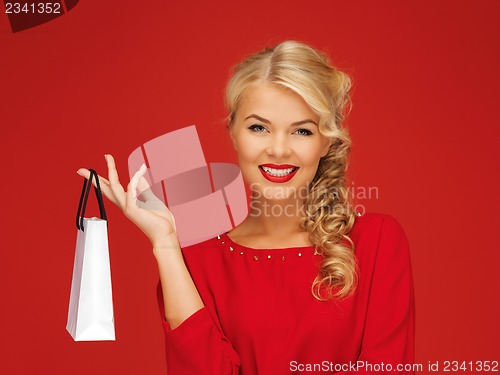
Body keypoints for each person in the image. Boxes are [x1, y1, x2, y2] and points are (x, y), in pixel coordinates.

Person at [78, 40, 415, 374]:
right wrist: (165, 243)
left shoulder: (376, 242)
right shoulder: (196, 261)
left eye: (301, 130)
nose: (279, 150)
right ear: (233, 133)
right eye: (259, 128)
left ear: (326, 141)